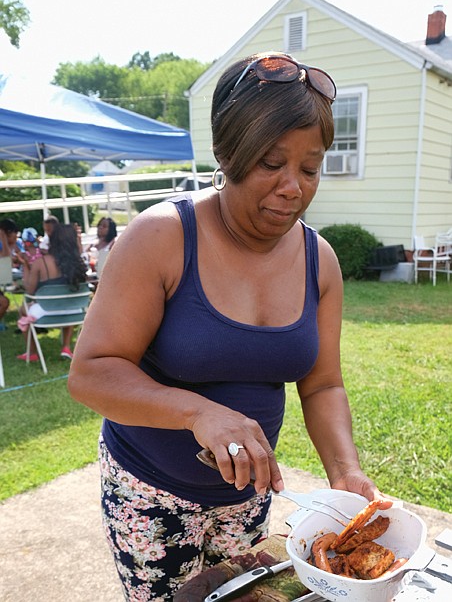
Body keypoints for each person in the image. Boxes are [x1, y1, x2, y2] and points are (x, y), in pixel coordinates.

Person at [68, 52, 392, 600]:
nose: (294, 186)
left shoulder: (321, 262)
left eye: (310, 168)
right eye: (271, 163)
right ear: (227, 153)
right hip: (150, 491)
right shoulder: (162, 237)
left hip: (247, 495)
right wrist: (199, 413)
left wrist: (345, 472)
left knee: (247, 596)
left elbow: (323, 383)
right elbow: (92, 373)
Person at [16, 223, 87, 361]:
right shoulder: (79, 263)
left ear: (52, 240)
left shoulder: (41, 262)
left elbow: (29, 290)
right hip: (75, 313)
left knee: (23, 309)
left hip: (47, 311)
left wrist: (25, 264)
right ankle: (66, 347)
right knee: (67, 301)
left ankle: (32, 353)